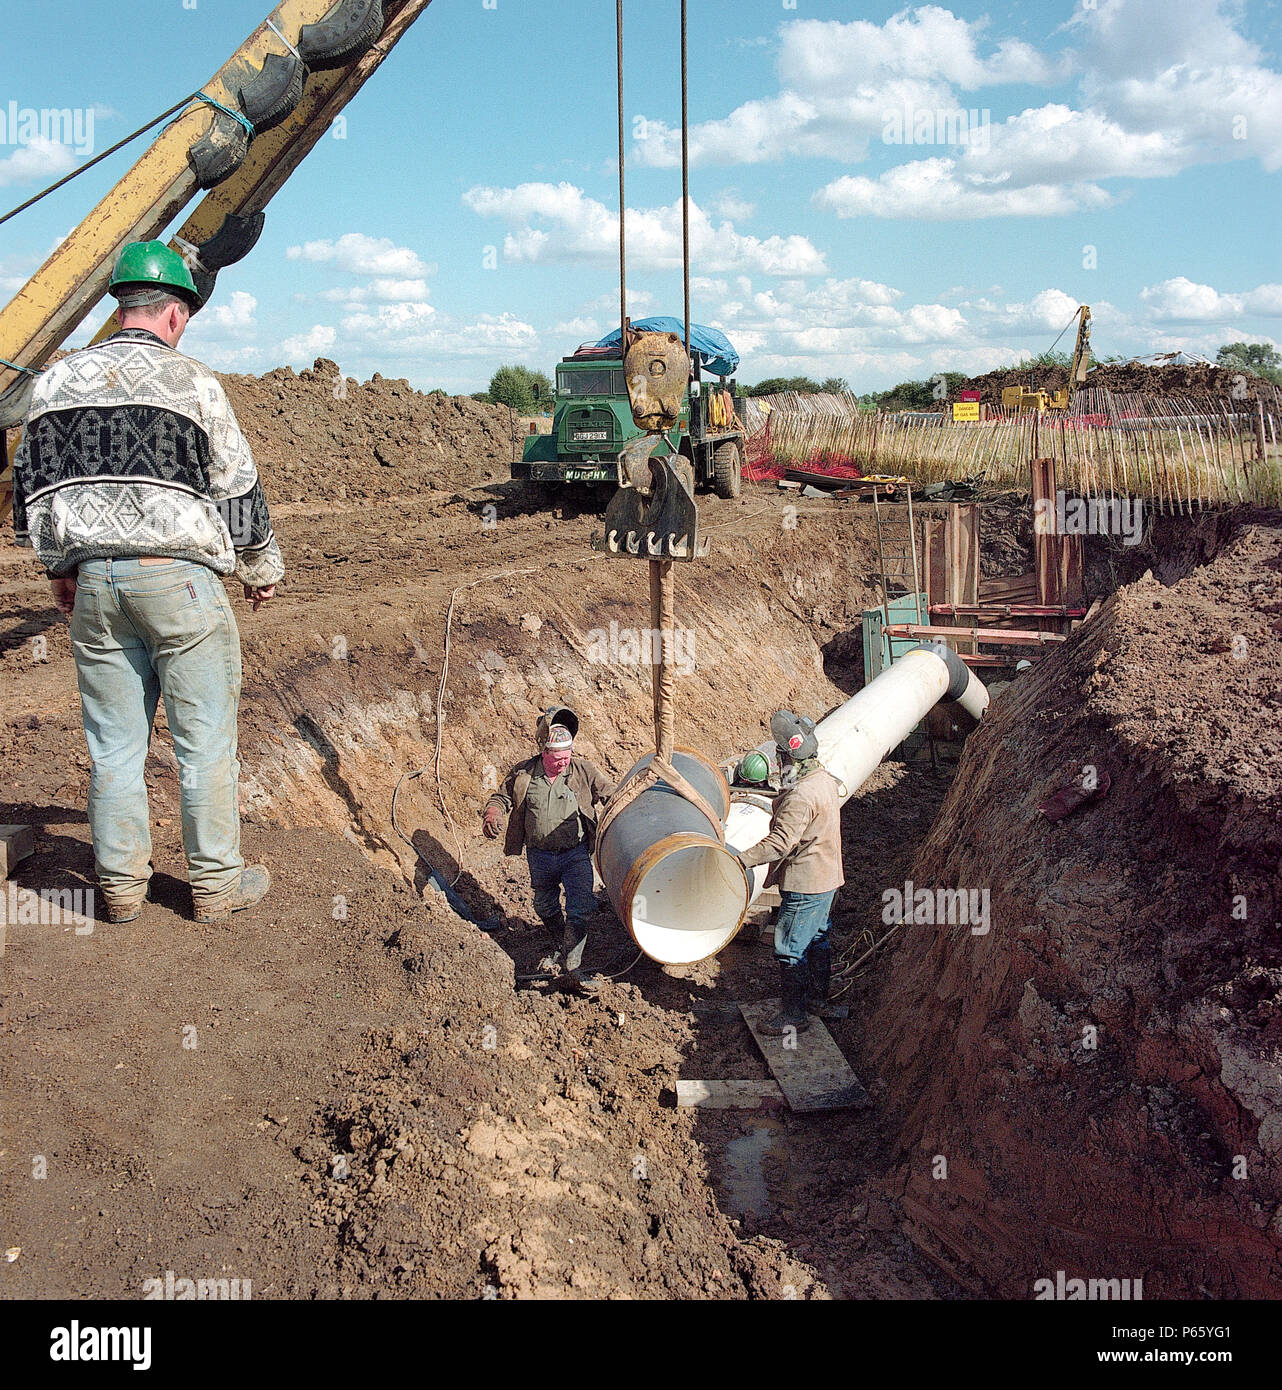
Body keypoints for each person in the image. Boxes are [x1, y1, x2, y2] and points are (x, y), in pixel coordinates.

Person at [11, 240, 285, 924]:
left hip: (95, 586)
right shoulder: (194, 384)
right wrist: (260, 568)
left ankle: (121, 891)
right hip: (180, 583)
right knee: (204, 744)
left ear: (121, 306)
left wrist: (62, 570)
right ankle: (217, 888)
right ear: (172, 314)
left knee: (113, 749)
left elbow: (32, 494)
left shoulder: (54, 384)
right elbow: (237, 489)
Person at [482, 705, 615, 977]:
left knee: (581, 907)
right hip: (540, 855)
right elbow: (501, 797)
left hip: (575, 853)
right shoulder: (524, 774)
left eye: (567, 756)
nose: (563, 762)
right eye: (557, 758)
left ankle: (572, 966)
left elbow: (610, 794)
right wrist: (493, 812)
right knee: (544, 905)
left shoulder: (583, 770)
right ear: (544, 752)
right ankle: (561, 943)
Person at [735, 711, 844, 1034]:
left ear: (789, 756)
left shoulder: (800, 795)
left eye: (781, 756)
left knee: (789, 947)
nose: (779, 763)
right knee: (818, 937)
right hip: (827, 877)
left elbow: (781, 843)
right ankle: (817, 999)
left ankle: (794, 1014)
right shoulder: (823, 779)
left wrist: (742, 859)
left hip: (806, 883)